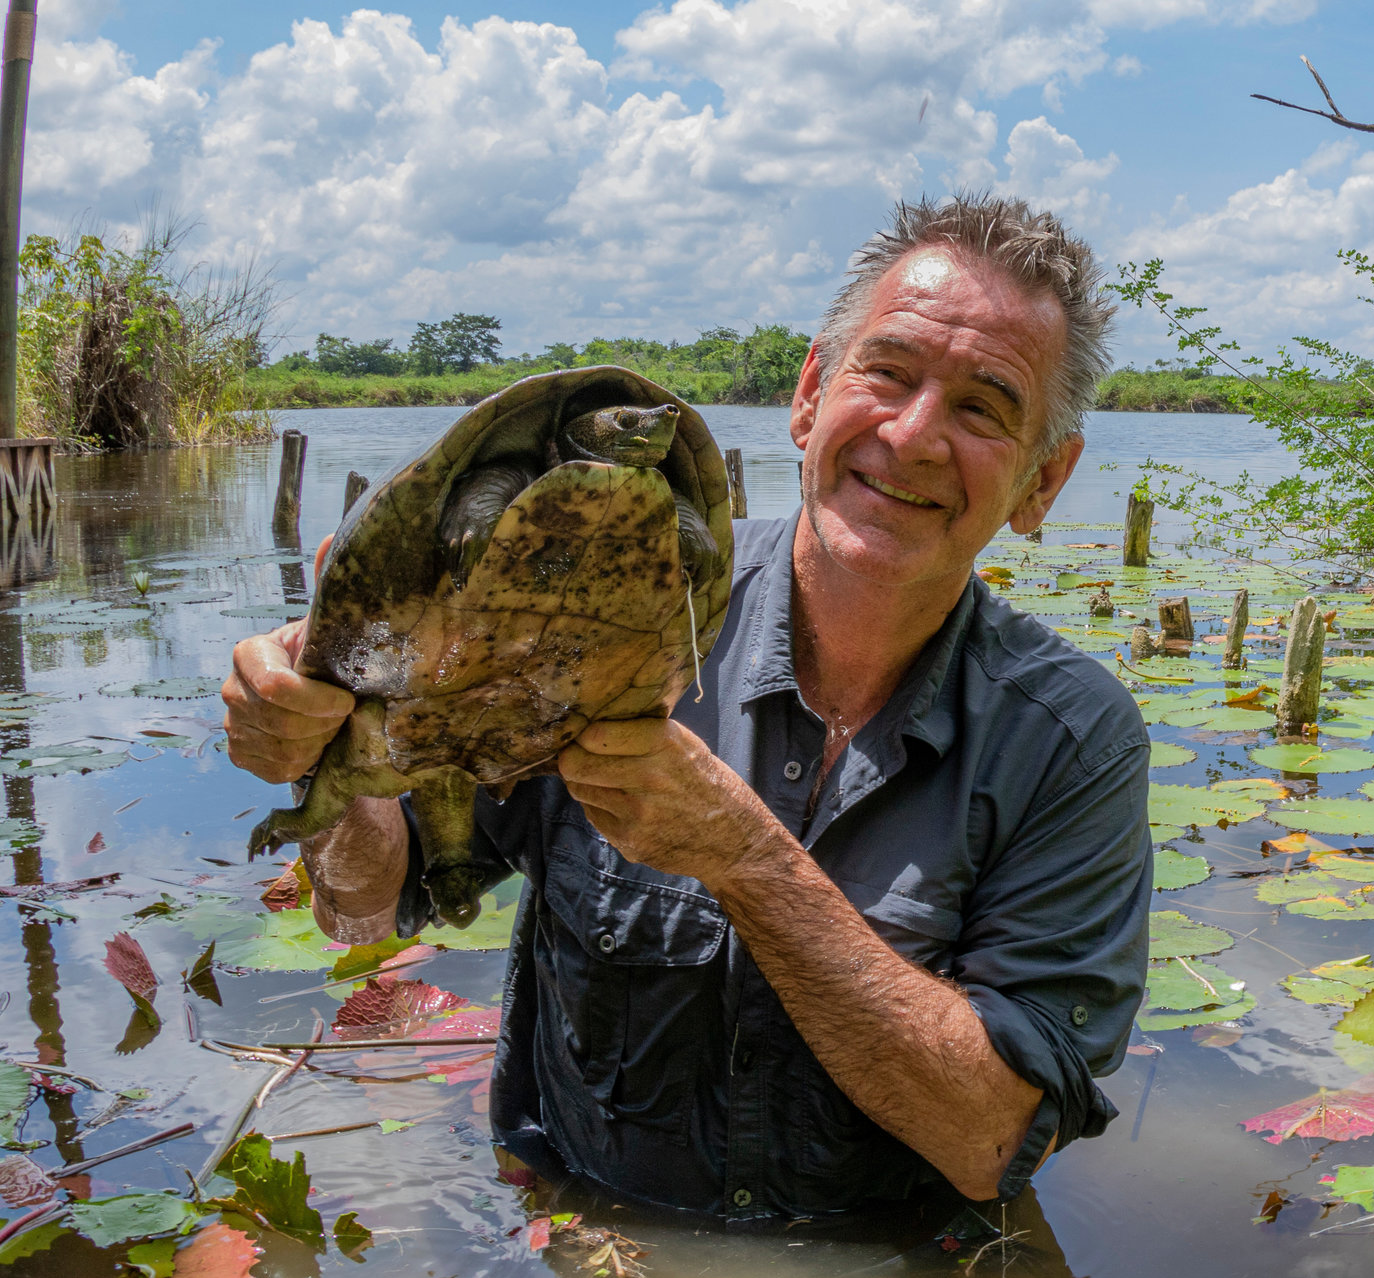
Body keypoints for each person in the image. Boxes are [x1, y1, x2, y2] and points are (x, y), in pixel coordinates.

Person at [219, 196, 1152, 1224]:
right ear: (809, 395)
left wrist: (747, 859)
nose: (916, 434)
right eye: (885, 372)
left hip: (895, 1269)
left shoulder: (1072, 742)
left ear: (1044, 481)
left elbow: (993, 1142)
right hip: (588, 1248)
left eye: (984, 407)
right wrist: (331, 746)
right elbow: (364, 904)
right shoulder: (596, 609)